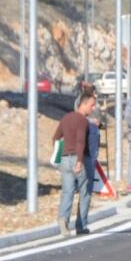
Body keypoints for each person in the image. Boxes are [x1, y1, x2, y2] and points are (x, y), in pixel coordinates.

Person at [52, 91, 97, 236]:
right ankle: (81, 225)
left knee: (67, 192)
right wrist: (79, 161)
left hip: (64, 160)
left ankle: (63, 220)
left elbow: (55, 138)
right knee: (85, 192)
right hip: (80, 159)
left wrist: (58, 157)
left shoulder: (66, 118)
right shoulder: (83, 121)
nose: (93, 108)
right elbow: (80, 142)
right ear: (83, 104)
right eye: (92, 105)